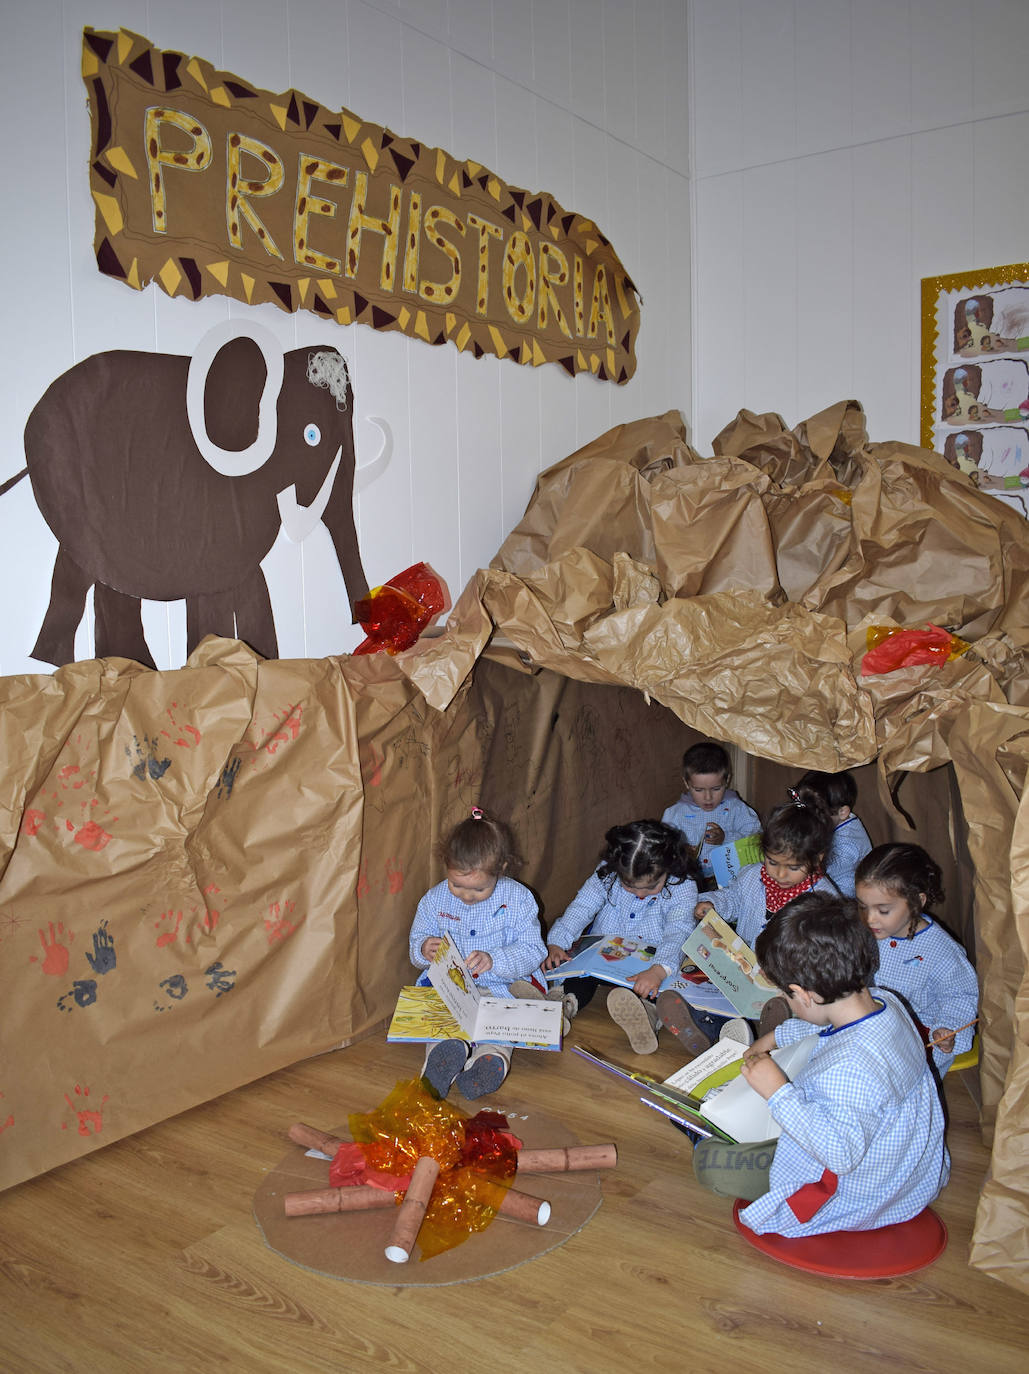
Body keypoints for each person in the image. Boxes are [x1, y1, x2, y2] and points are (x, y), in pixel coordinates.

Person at [692, 892, 950, 1237]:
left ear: (804, 993)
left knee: (708, 1160)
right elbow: (831, 1026)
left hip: (857, 1194)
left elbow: (840, 1155)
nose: (788, 1000)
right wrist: (779, 1036)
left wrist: (778, 1092)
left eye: (786, 996)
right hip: (909, 1172)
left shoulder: (849, 1070)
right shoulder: (887, 1002)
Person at [657, 797, 836, 1052]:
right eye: (773, 862)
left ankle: (767, 1033)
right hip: (741, 972)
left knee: (783, 1011)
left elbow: (827, 955)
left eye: (793, 867)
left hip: (789, 984)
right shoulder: (753, 875)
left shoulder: (823, 900)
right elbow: (733, 897)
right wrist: (712, 902)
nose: (780, 874)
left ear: (818, 859)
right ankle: (707, 1030)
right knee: (715, 991)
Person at [409, 807, 547, 1101]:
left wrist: (495, 960)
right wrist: (424, 948)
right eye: (456, 884)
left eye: (479, 889)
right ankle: (443, 1059)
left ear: (501, 869)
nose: (466, 895)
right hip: (450, 986)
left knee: (498, 1024)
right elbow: (417, 942)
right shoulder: (434, 899)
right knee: (442, 1022)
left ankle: (490, 1059)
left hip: (500, 985)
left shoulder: (519, 899)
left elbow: (533, 950)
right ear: (446, 867)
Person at [544, 820, 698, 1055]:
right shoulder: (607, 872)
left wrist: (659, 970)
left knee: (663, 986)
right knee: (578, 975)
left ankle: (647, 1016)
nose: (639, 893)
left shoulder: (683, 886)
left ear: (670, 867)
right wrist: (557, 942)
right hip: (604, 957)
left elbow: (679, 930)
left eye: (651, 886)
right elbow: (582, 907)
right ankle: (562, 1006)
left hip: (651, 963)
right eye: (629, 885)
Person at [855, 843, 978, 1078]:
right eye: (863, 906)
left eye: (883, 910)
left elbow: (960, 995)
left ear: (916, 902)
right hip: (871, 1020)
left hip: (919, 1035)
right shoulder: (870, 928)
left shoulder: (942, 951)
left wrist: (948, 1030)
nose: (870, 918)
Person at [661, 741, 759, 889]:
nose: (708, 797)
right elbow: (662, 847)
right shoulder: (674, 814)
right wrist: (681, 850)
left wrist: (726, 838)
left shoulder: (736, 808)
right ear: (687, 783)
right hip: (688, 882)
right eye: (699, 790)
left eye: (716, 788)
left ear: (727, 780)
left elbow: (757, 838)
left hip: (731, 880)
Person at [792, 770, 871, 896]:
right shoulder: (836, 818)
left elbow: (814, 869)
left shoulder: (846, 846)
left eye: (817, 815)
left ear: (843, 812)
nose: (808, 819)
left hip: (841, 897)